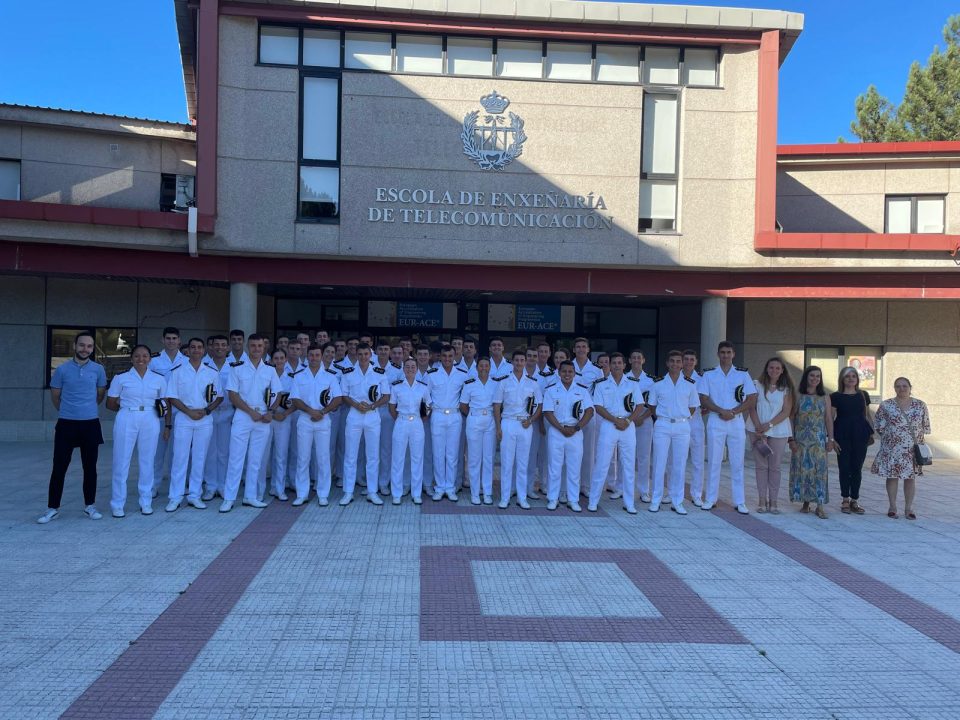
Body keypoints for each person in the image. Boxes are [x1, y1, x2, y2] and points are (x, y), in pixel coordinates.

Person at [38, 331, 108, 524]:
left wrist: (86, 410)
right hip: (66, 424)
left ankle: (90, 506)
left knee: (90, 467)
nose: (85, 349)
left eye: (89, 346)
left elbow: (100, 395)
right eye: (82, 345)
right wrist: (69, 411)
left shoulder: (98, 370)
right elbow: (55, 396)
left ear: (92, 349)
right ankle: (52, 508)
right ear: (75, 346)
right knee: (59, 467)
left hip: (90, 424)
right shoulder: (61, 370)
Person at [220, 334, 283, 513]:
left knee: (256, 460)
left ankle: (250, 496)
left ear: (264, 348)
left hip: (263, 417)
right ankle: (229, 498)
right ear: (248, 347)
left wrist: (271, 412)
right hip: (243, 416)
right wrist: (250, 412)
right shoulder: (237, 368)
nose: (256, 349)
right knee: (236, 458)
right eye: (253, 345)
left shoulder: (270, 370)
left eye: (259, 346)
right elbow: (233, 395)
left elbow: (278, 393)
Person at [106, 345, 168, 517]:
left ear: (150, 358)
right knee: (121, 460)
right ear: (131, 358)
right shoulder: (121, 378)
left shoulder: (159, 379)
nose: (141, 359)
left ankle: (146, 501)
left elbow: (164, 403)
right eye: (137, 356)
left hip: (150, 417)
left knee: (147, 460)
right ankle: (118, 503)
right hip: (127, 416)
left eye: (145, 356)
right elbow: (110, 402)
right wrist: (126, 409)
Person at [165, 338, 223, 512]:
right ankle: (175, 497)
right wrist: (188, 412)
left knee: (200, 457)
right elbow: (171, 397)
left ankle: (194, 495)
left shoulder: (211, 372)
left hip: (204, 418)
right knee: (180, 458)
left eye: (199, 347)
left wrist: (206, 411)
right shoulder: (178, 371)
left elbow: (219, 396)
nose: (196, 350)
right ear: (187, 351)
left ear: (204, 350)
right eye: (193, 347)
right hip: (184, 417)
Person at [698, 341, 756, 514]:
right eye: (722, 352)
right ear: (718, 354)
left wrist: (734, 411)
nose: (725, 355)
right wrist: (721, 411)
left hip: (736, 421)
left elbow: (751, 398)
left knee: (737, 463)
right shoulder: (709, 375)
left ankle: (740, 501)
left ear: (733, 354)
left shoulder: (742, 374)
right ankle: (710, 498)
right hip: (716, 420)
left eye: (728, 352)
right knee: (714, 461)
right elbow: (703, 398)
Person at [647, 350, 700, 514]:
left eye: (678, 361)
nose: (675, 364)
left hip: (682, 426)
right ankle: (655, 499)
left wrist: (681, 418)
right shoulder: (658, 383)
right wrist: (664, 418)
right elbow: (652, 406)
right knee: (659, 463)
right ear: (667, 363)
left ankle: (677, 501)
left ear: (682, 364)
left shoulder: (690, 384)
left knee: (679, 464)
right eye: (672, 361)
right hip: (662, 424)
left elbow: (693, 407)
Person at [290, 343, 343, 506]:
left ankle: (323, 493)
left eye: (317, 355)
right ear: (307, 357)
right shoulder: (299, 376)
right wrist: (310, 411)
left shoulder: (330, 376)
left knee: (323, 457)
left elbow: (337, 399)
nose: (314, 358)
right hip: (305, 420)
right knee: (303, 458)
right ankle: (302, 493)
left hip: (323, 419)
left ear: (321, 357)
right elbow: (295, 399)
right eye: (311, 355)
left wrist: (322, 412)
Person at [588, 352, 641, 514]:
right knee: (601, 464)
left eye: (620, 363)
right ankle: (593, 501)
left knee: (628, 465)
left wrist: (628, 420)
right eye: (614, 363)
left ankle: (629, 502)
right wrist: (615, 420)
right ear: (609, 366)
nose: (617, 365)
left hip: (627, 426)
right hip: (609, 426)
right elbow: (598, 406)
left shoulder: (632, 384)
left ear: (625, 365)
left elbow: (639, 405)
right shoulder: (602, 384)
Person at [871, 377, 931, 520]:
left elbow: (925, 427)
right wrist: (891, 437)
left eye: (904, 386)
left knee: (910, 478)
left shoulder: (920, 405)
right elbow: (878, 425)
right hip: (892, 448)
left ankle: (909, 508)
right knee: (892, 476)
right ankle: (892, 507)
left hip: (911, 449)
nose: (901, 389)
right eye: (898, 386)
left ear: (910, 387)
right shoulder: (886, 405)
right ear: (894, 388)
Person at [340, 343, 391, 505]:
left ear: (371, 355)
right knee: (350, 455)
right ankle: (348, 492)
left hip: (372, 416)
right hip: (354, 415)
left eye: (366, 354)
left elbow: (386, 395)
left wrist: (373, 406)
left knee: (373, 456)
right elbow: (344, 395)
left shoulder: (379, 373)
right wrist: (356, 405)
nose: (363, 357)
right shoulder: (348, 373)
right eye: (360, 354)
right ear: (355, 354)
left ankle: (372, 491)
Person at [541, 360, 594, 512]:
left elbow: (589, 411)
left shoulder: (582, 390)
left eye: (570, 371)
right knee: (554, 467)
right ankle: (553, 498)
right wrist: (561, 428)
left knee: (574, 467)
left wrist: (576, 427)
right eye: (564, 371)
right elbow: (547, 412)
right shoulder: (551, 390)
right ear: (559, 372)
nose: (567, 374)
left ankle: (573, 500)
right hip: (556, 432)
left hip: (575, 433)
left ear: (574, 373)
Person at [493, 349, 542, 509]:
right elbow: (497, 405)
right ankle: (505, 497)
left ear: (526, 362)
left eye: (522, 360)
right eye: (517, 360)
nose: (520, 363)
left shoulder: (533, 383)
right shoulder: (504, 382)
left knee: (523, 463)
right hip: (508, 423)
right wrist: (499, 427)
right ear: (512, 362)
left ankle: (522, 497)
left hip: (525, 425)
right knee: (507, 463)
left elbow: (540, 406)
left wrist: (532, 420)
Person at [746, 357, 794, 514]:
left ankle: (773, 501)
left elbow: (786, 411)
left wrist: (769, 425)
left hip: (778, 431)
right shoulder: (756, 384)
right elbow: (751, 406)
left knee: (775, 467)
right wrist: (759, 427)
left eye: (777, 368)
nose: (774, 370)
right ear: (766, 369)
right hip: (756, 429)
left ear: (782, 371)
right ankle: (761, 501)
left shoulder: (786, 389)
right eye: (771, 367)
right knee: (761, 466)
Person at [789, 366, 835, 519]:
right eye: (812, 376)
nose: (815, 379)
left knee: (819, 471)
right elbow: (792, 417)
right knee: (803, 471)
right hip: (801, 440)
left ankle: (820, 505)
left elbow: (828, 418)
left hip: (819, 441)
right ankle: (806, 502)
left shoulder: (824, 397)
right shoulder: (798, 395)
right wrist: (791, 439)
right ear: (806, 378)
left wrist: (831, 439)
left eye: (818, 376)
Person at [426, 345, 468, 501]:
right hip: (437, 415)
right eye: (444, 356)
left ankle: (450, 487)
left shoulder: (462, 375)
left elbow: (466, 396)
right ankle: (439, 487)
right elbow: (426, 396)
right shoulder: (432, 374)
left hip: (455, 416)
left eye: (450, 356)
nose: (447, 359)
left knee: (452, 454)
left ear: (455, 356)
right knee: (438, 453)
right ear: (440, 357)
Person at [831, 367, 874, 515]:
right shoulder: (835, 396)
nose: (850, 378)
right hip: (842, 434)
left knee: (857, 468)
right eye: (847, 376)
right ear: (842, 379)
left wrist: (872, 432)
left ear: (857, 378)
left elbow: (867, 415)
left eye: (853, 376)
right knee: (844, 468)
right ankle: (845, 499)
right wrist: (831, 438)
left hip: (860, 434)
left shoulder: (863, 395)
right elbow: (830, 418)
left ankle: (854, 500)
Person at [389, 358, 432, 505]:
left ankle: (416, 493)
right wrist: (401, 419)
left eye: (413, 367)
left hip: (417, 423)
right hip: (401, 421)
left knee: (417, 459)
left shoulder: (423, 387)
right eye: (407, 367)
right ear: (403, 369)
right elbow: (391, 407)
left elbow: (428, 407)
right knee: (398, 459)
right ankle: (396, 493)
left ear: (417, 368)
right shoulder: (396, 386)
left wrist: (421, 419)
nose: (410, 369)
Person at [148, 327, 185, 495]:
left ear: (179, 341)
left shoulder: (186, 361)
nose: (171, 341)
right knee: (157, 451)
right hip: (160, 411)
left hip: (180, 411)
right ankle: (154, 485)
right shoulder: (154, 361)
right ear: (162, 340)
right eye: (168, 338)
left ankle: (175, 485)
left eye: (174, 338)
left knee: (178, 452)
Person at [459, 357, 497, 505]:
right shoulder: (469, 384)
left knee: (488, 458)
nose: (484, 368)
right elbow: (463, 405)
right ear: (477, 368)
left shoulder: (496, 384)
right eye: (481, 366)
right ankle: (475, 492)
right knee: (474, 458)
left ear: (490, 367)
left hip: (490, 420)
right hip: (474, 418)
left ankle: (487, 492)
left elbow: (499, 404)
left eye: (486, 366)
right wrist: (473, 416)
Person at [260, 348, 296, 503]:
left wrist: (285, 414)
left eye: (282, 358)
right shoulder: (264, 376)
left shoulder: (292, 378)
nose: (279, 361)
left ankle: (278, 488)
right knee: (263, 455)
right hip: (266, 418)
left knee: (281, 455)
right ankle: (259, 489)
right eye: (276, 358)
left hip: (283, 419)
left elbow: (296, 401)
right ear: (271, 360)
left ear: (286, 360)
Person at [203, 335, 234, 501]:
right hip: (209, 412)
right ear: (211, 347)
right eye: (216, 345)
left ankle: (222, 485)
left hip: (228, 411)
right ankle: (210, 486)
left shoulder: (235, 367)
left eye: (223, 345)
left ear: (228, 348)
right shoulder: (204, 366)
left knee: (224, 451)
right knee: (209, 451)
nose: (220, 348)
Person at [572, 338, 604, 497]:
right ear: (574, 349)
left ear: (588, 349)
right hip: (570, 413)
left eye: (584, 347)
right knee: (571, 450)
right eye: (578, 347)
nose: (581, 349)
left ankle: (586, 485)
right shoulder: (568, 366)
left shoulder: (596, 370)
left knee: (589, 450)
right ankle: (571, 485)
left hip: (589, 412)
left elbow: (599, 392)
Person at [625, 349, 655, 503]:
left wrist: (642, 417)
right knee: (624, 457)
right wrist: (631, 419)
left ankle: (644, 490)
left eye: (639, 358)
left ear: (643, 360)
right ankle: (621, 488)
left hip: (644, 421)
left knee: (643, 457)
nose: (636, 360)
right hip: (627, 422)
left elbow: (654, 404)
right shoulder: (623, 378)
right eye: (633, 357)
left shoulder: (651, 381)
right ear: (629, 361)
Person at [680, 349, 707, 507]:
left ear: (695, 362)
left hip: (695, 421)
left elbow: (707, 399)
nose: (689, 362)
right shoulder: (675, 377)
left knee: (697, 461)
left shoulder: (702, 379)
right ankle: (673, 492)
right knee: (677, 459)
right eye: (686, 359)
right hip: (679, 421)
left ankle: (696, 494)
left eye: (692, 359)